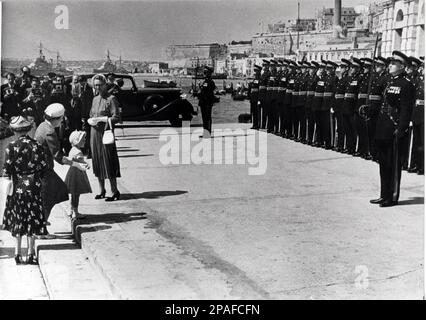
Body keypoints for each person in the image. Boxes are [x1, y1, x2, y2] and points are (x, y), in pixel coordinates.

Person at [371, 51, 415, 208]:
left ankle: (392, 196)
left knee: (393, 164)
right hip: (383, 127)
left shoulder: (407, 84)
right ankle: (383, 195)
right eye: (389, 63)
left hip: (394, 128)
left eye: (393, 64)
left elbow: (406, 109)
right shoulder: (389, 82)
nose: (389, 66)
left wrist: (401, 128)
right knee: (383, 163)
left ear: (402, 66)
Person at [2, 116, 48, 265]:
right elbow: (43, 167)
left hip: (17, 188)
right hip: (33, 187)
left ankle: (17, 253)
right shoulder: (37, 145)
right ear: (28, 129)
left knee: (18, 219)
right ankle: (31, 253)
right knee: (32, 220)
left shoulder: (11, 146)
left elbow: (7, 170)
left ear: (14, 131)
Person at [34, 103, 85, 237]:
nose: (62, 121)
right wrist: (75, 164)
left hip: (40, 168)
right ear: (56, 119)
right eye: (61, 119)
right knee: (50, 196)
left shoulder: (42, 126)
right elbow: (58, 156)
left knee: (56, 192)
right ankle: (41, 228)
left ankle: (42, 222)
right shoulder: (50, 132)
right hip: (44, 170)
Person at [88, 74, 121, 201]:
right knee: (97, 161)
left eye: (100, 85)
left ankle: (114, 191)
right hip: (94, 134)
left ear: (105, 85)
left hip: (105, 133)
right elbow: (91, 114)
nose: (97, 87)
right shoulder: (95, 99)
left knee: (108, 160)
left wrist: (104, 119)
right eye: (95, 85)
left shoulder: (111, 99)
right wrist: (92, 120)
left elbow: (116, 117)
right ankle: (102, 190)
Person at [64, 131, 92, 219]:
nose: (84, 140)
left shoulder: (72, 149)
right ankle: (75, 212)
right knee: (76, 193)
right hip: (78, 174)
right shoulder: (78, 152)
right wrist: (86, 164)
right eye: (82, 139)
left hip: (72, 173)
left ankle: (71, 210)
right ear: (77, 141)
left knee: (73, 193)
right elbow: (79, 160)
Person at [195, 66, 217, 137]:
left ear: (209, 73)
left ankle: (207, 133)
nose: (204, 74)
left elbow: (208, 93)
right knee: (204, 118)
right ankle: (205, 132)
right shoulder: (205, 81)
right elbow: (203, 91)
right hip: (203, 102)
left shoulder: (210, 82)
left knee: (207, 117)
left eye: (205, 72)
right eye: (204, 72)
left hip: (207, 102)